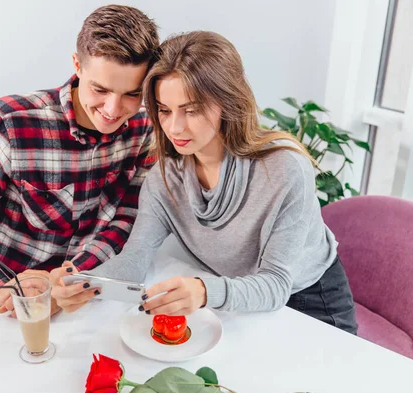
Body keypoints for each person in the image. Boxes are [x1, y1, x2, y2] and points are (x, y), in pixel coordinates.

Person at [51, 31, 358, 334]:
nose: (175, 126)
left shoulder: (283, 168)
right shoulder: (164, 178)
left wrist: (203, 291)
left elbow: (277, 284)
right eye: (165, 110)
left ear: (226, 102)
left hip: (311, 300)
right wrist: (83, 282)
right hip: (236, 301)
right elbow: (134, 260)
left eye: (191, 110)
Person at [0, 5, 159, 324]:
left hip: (84, 289)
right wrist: (2, 287)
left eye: (132, 94)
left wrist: (69, 280)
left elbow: (127, 215)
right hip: (1, 298)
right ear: (77, 65)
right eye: (100, 89)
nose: (113, 109)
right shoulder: (9, 123)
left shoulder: (145, 128)